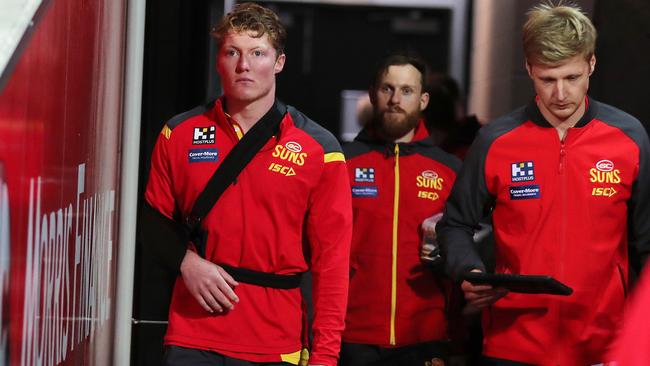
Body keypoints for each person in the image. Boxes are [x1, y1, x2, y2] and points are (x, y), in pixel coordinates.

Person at [436, 2, 650, 365]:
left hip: (601, 345)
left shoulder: (629, 138)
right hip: (510, 343)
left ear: (591, 65)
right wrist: (468, 271)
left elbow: (645, 242)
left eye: (572, 77)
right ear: (529, 69)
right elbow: (455, 224)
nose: (561, 94)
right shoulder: (495, 140)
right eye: (547, 79)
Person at [142, 3, 352, 366]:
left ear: (279, 63)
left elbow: (332, 263)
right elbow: (150, 222)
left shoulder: (320, 149)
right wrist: (186, 263)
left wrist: (326, 356)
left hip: (274, 342)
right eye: (232, 53)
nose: (244, 65)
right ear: (218, 61)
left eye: (258, 53)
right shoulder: (178, 133)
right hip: (192, 335)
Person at [340, 54, 461, 365]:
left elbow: (472, 247)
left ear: (423, 101)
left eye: (407, 91)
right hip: (352, 335)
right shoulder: (341, 163)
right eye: (387, 89)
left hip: (425, 334)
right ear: (372, 94)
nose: (396, 100)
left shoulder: (450, 170)